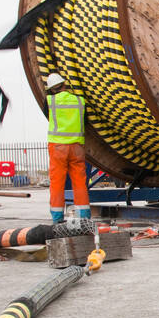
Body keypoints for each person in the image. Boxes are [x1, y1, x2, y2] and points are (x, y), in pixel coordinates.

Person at [44, 72, 91, 223]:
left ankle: (58, 218)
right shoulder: (79, 101)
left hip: (58, 147)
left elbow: (48, 115)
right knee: (79, 182)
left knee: (57, 183)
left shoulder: (50, 101)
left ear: (51, 89)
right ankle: (84, 216)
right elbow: (86, 121)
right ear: (64, 85)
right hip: (77, 146)